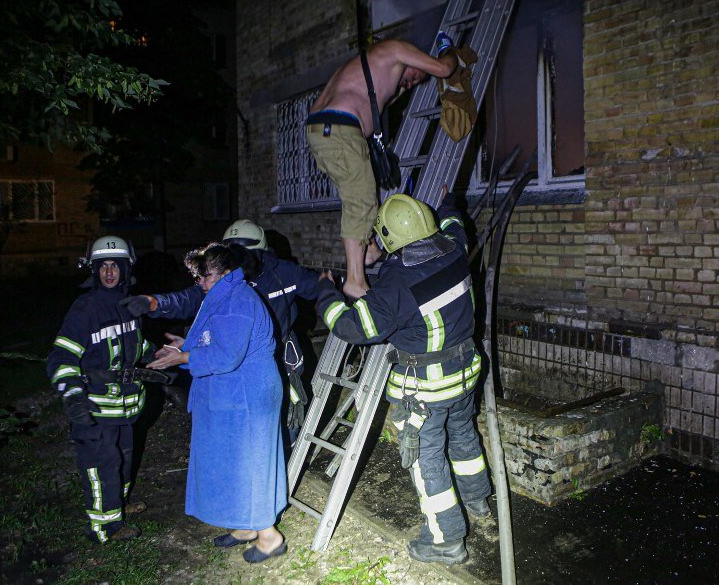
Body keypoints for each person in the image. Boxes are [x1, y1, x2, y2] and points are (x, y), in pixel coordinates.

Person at [314, 191, 491, 565]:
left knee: (428, 460)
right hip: (465, 375)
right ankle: (477, 499)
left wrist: (324, 293)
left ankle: (446, 540)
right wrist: (448, 201)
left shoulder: (397, 283)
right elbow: (453, 221)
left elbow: (351, 326)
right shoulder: (455, 247)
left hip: (425, 389)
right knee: (463, 436)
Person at [147, 243, 288, 563]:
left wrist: (183, 357)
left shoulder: (237, 299)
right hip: (231, 395)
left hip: (247, 398)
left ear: (225, 271)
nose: (200, 282)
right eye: (198, 276)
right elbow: (217, 340)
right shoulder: (223, 294)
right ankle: (244, 526)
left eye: (205, 275)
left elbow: (227, 355)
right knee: (231, 464)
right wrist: (186, 346)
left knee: (249, 465)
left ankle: (269, 536)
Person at [121, 219, 321, 443]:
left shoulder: (283, 274)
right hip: (237, 370)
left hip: (278, 360)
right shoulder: (224, 282)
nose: (236, 266)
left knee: (284, 422)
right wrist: (155, 303)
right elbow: (191, 297)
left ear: (260, 254)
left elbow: (319, 286)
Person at [306, 34, 459, 300]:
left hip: (326, 129)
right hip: (339, 128)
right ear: (413, 58)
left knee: (362, 192)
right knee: (360, 198)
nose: (411, 84)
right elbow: (445, 69)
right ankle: (355, 280)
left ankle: (370, 248)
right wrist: (449, 51)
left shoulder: (373, 69)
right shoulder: (396, 49)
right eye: (415, 77)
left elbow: (384, 99)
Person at [46, 235, 153, 543]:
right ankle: (104, 527)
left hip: (127, 408)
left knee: (123, 458)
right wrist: (73, 396)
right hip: (95, 410)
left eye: (115, 266)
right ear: (93, 270)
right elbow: (61, 356)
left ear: (126, 269)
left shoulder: (129, 305)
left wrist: (157, 354)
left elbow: (135, 344)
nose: (109, 272)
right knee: (101, 464)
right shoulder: (86, 309)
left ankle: (116, 506)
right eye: (103, 266)